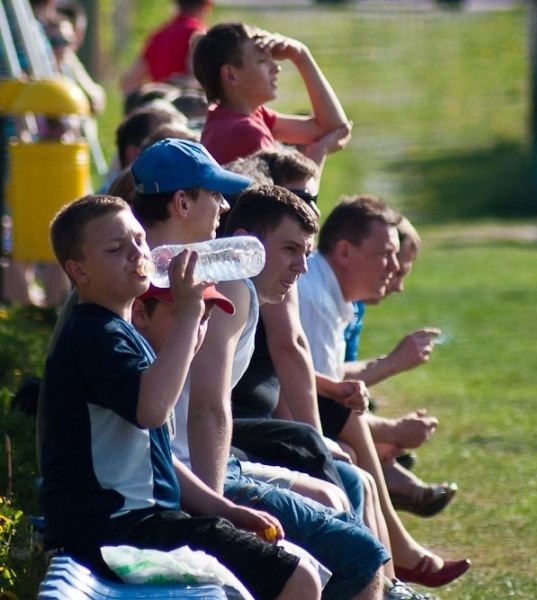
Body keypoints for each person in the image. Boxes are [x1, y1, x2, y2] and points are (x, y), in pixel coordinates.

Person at [130, 140, 397, 600]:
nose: (223, 207)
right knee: (356, 555)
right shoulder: (209, 284)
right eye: (214, 195)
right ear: (181, 202)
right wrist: (216, 518)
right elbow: (206, 409)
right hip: (184, 478)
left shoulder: (170, 273)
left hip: (190, 468)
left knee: (338, 496)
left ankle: (392, 586)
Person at [42, 194, 321, 600]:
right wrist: (189, 314)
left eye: (138, 240)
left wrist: (221, 508)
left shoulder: (118, 332)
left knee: (294, 566)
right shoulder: (94, 335)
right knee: (298, 579)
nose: (137, 253)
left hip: (136, 524)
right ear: (78, 270)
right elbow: (152, 411)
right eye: (116, 249)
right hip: (116, 531)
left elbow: (155, 454)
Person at [298, 195, 471, 588]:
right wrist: (391, 431)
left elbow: (324, 384)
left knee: (361, 467)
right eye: (386, 255)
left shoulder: (327, 294)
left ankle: (392, 574)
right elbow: (317, 396)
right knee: (358, 469)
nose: (394, 271)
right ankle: (394, 569)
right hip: (274, 430)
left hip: (304, 422)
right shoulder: (314, 296)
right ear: (344, 250)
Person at [342, 216, 457, 517]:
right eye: (394, 268)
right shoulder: (335, 302)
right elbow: (325, 380)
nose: (399, 285)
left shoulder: (353, 305)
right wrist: (391, 430)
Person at [192, 22, 352, 190]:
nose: (277, 68)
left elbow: (332, 128)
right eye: (263, 61)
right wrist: (318, 154)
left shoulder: (244, 117)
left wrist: (301, 55)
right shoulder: (245, 132)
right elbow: (288, 210)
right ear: (231, 75)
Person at [120, 0, 213, 94]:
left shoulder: (158, 35)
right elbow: (204, 80)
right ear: (207, 5)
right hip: (189, 102)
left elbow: (129, 81)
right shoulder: (201, 36)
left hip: (161, 102)